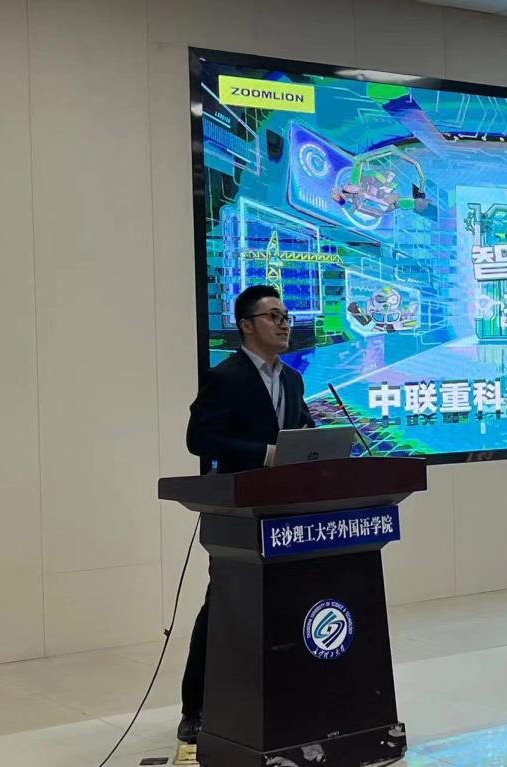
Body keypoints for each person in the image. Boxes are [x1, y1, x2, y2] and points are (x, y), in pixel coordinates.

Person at [177, 285, 315, 743]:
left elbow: (300, 429)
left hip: (288, 509)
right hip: (240, 511)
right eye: (273, 316)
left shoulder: (292, 379)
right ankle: (195, 707)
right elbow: (200, 440)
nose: (284, 324)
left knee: (286, 602)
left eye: (286, 316)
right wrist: (264, 454)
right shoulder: (226, 377)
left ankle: (285, 696)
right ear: (246, 325)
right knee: (224, 605)